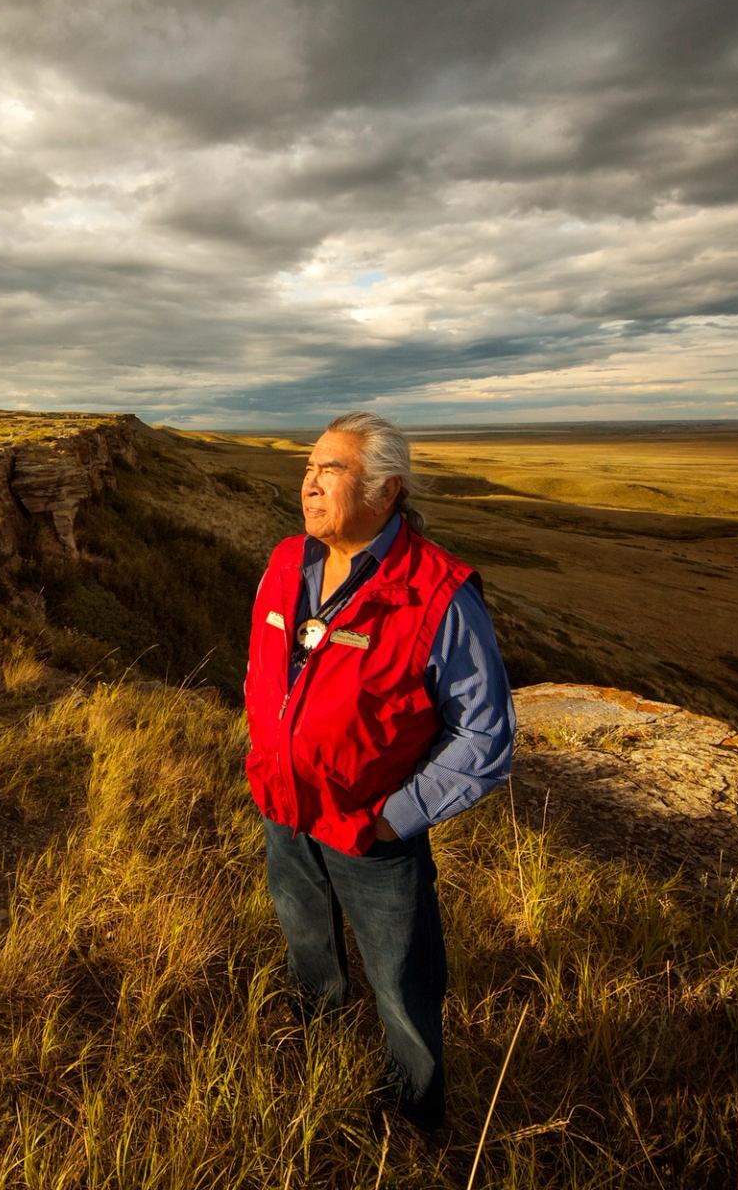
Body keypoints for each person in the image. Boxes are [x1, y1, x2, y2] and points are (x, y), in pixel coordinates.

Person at [242, 411, 515, 1133]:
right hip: (285, 810)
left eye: (333, 470)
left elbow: (484, 738)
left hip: (372, 831)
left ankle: (415, 1112)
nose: (311, 482)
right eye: (308, 467)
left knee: (400, 979)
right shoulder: (283, 564)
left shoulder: (438, 594)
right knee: (306, 941)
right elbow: (264, 673)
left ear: (387, 491)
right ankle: (319, 1035)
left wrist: (393, 817)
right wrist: (266, 756)